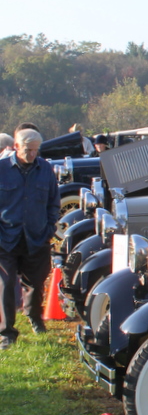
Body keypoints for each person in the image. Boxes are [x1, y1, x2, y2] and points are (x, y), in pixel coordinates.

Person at [0, 129, 60, 349]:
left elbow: (54, 201)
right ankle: (7, 333)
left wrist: (49, 227)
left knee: (35, 284)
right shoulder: (2, 170)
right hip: (6, 238)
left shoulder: (45, 169)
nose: (32, 154)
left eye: (36, 150)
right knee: (6, 286)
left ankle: (34, 317)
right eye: (28, 150)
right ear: (16, 147)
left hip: (36, 237)